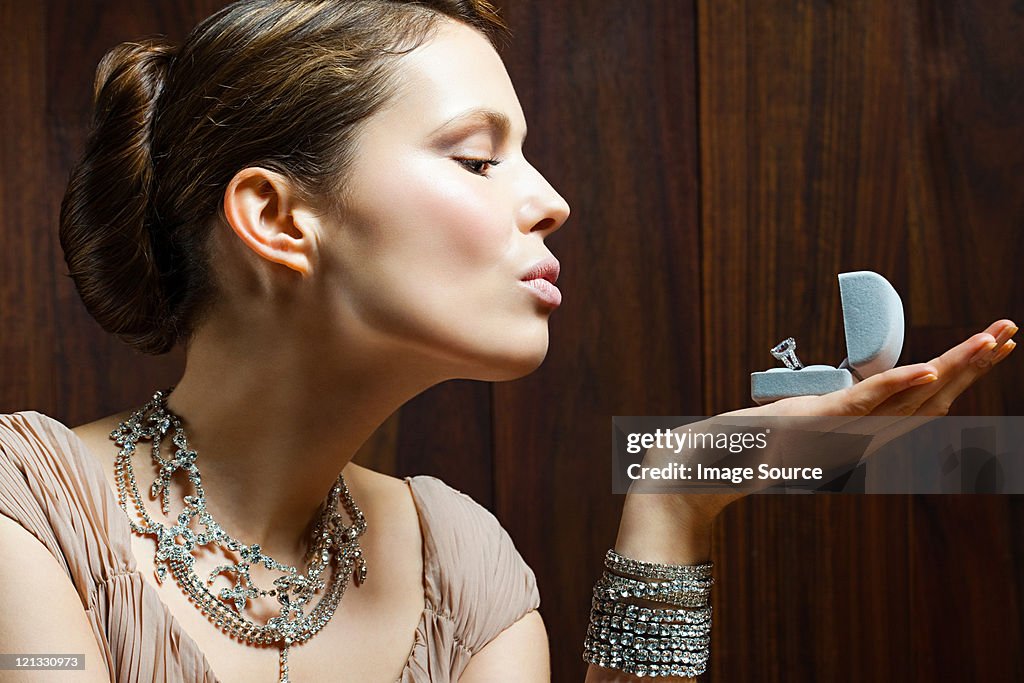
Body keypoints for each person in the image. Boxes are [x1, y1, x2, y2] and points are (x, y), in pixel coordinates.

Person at [0, 1, 1016, 681]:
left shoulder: (465, 567)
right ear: (276, 216)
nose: (553, 201)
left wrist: (676, 496)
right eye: (480, 159)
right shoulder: (26, 510)